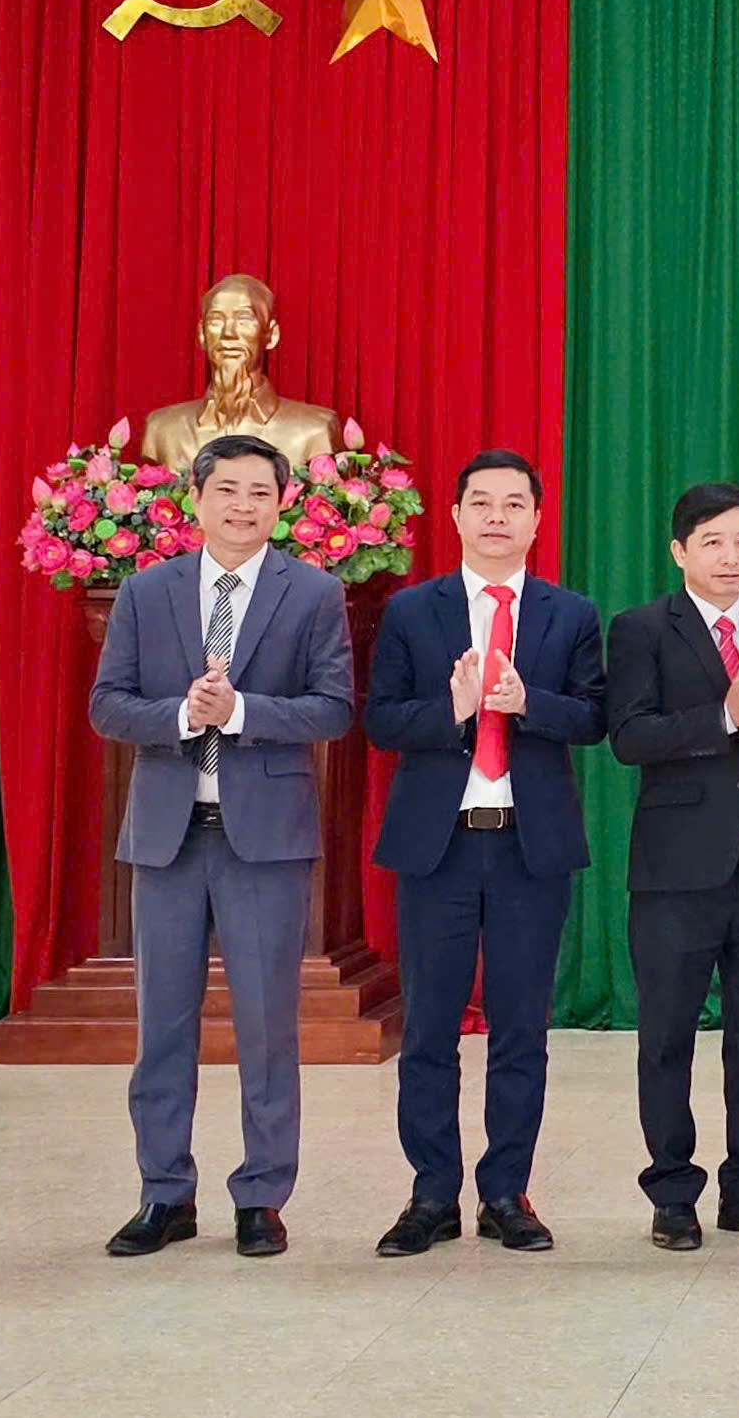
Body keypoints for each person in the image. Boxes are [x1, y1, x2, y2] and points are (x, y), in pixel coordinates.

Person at [88, 434, 354, 1258]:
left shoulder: (313, 593)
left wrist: (238, 712)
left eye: (259, 493)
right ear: (196, 498)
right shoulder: (147, 590)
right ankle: (164, 1194)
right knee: (162, 1028)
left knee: (267, 1029)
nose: (243, 506)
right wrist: (182, 715)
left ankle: (261, 1197)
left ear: (283, 504)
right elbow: (108, 704)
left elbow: (334, 708)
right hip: (168, 839)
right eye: (227, 490)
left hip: (265, 845)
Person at [367, 451, 607, 1257]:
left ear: (537, 519)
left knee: (520, 1033)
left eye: (513, 504)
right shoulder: (412, 611)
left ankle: (507, 1191)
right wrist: (454, 706)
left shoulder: (569, 614)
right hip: (436, 849)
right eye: (481, 502)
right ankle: (431, 1194)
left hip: (527, 851)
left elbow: (594, 717)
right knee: (428, 1031)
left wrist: (528, 702)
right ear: (457, 516)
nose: (497, 516)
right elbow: (381, 721)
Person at [608, 483, 739, 1250]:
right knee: (667, 1036)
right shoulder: (641, 629)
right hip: (675, 872)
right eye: (712, 542)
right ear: (679, 552)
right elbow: (628, 737)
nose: (730, 557)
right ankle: (672, 1192)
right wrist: (725, 717)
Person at [139, 273, 339, 471]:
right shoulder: (162, 428)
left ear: (271, 335)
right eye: (216, 321)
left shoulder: (316, 429)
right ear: (202, 335)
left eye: (244, 320)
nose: (228, 333)